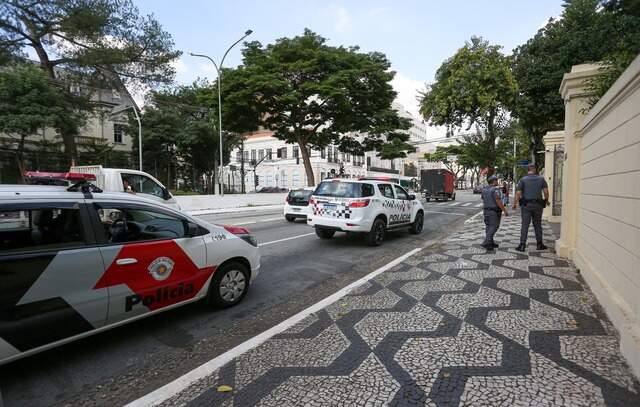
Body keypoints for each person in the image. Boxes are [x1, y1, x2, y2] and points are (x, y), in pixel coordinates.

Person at [513, 164, 550, 251]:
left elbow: (518, 193)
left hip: (526, 206)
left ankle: (522, 245)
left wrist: (515, 203)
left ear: (528, 170)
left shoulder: (523, 180)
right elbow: (546, 191)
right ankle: (539, 244)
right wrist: (546, 200)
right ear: (535, 170)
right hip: (538, 205)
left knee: (525, 225)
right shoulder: (541, 179)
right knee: (537, 224)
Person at [481, 175, 508, 251]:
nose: (497, 182)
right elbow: (498, 201)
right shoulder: (494, 190)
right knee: (494, 226)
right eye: (496, 180)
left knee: (489, 227)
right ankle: (487, 242)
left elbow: (483, 200)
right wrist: (504, 210)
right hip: (493, 211)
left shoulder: (484, 189)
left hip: (486, 211)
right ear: (493, 181)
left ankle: (491, 242)